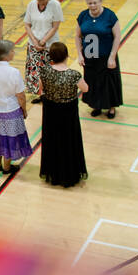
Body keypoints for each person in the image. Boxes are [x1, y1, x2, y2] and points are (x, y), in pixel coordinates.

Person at [38, 41, 88, 187]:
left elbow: (40, 89)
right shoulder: (73, 75)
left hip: (51, 112)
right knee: (68, 142)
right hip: (68, 114)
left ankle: (53, 173)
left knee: (52, 140)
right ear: (66, 56)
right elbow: (85, 89)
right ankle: (69, 174)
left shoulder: (45, 71)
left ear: (51, 57)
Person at [0, 40, 32, 174]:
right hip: (10, 110)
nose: (14, 52)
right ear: (6, 55)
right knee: (10, 139)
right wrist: (24, 110)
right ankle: (7, 167)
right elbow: (21, 95)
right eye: (12, 51)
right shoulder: (13, 72)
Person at [75, 0, 123, 119]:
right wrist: (80, 54)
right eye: (90, 3)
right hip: (90, 57)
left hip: (106, 56)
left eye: (95, 3)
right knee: (93, 81)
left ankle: (111, 107)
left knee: (109, 82)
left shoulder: (110, 16)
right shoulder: (83, 16)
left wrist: (112, 56)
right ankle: (96, 105)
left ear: (100, 2)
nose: (92, 6)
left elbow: (117, 36)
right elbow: (78, 36)